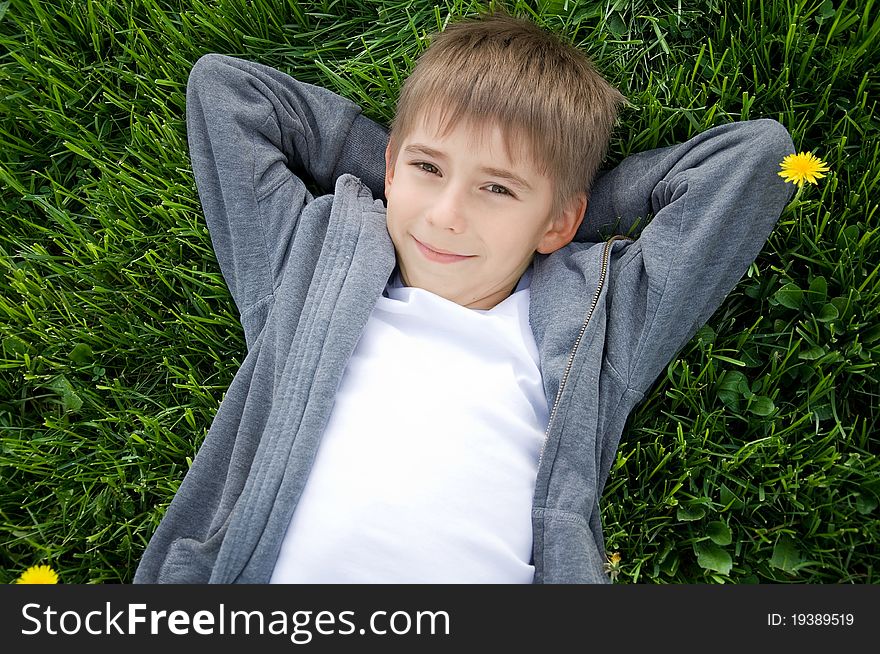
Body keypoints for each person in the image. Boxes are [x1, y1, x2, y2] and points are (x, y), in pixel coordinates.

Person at [134, 10, 794, 584]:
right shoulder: (306, 268)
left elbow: (756, 160)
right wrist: (406, 186)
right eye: (428, 168)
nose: (447, 216)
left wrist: (556, 224)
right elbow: (225, 89)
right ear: (392, 166)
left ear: (560, 221)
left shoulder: (600, 320)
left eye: (497, 189)